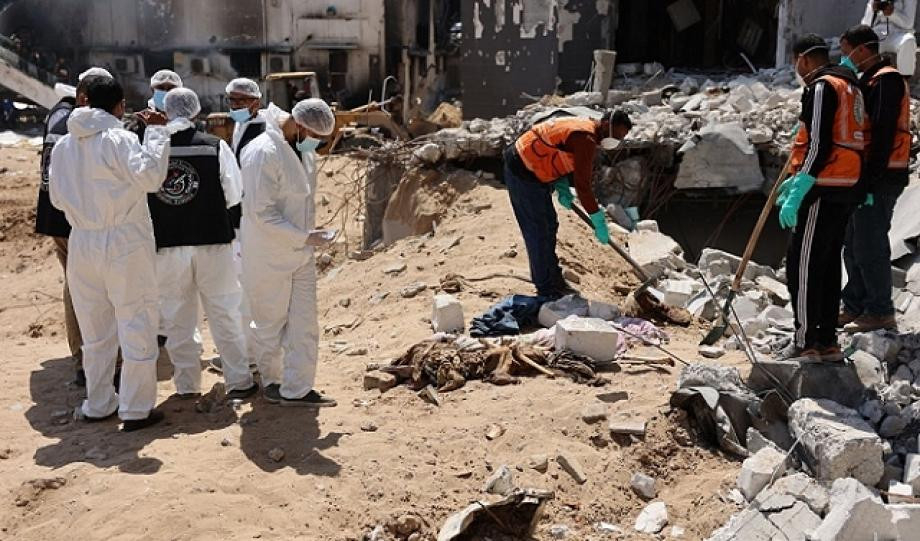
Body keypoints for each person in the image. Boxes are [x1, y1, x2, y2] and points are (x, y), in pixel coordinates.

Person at [49, 76, 172, 431]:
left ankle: (99, 402)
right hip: (124, 240)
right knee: (137, 321)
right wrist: (157, 133)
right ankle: (136, 409)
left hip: (82, 241)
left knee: (96, 330)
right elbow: (151, 178)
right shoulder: (120, 139)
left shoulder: (63, 146)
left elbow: (56, 199)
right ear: (119, 106)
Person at [148, 88, 258, 400]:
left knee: (177, 317)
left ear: (166, 112)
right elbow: (234, 195)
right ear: (196, 112)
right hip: (213, 242)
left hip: (168, 245)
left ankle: (186, 385)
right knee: (224, 312)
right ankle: (239, 381)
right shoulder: (214, 146)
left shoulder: (153, 149)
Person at [239, 99, 336, 407]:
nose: (316, 144)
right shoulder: (262, 152)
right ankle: (273, 381)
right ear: (299, 126)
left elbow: (301, 200)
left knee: (305, 324)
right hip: (268, 254)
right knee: (269, 323)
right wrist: (304, 236)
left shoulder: (303, 152)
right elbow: (261, 214)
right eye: (315, 137)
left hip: (301, 253)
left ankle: (298, 389)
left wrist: (309, 235)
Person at [778, 34, 868, 361]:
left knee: (802, 266)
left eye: (795, 62)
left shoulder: (821, 87)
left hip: (823, 186)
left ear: (803, 59)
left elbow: (819, 144)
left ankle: (805, 341)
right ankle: (827, 340)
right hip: (847, 185)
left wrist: (801, 185)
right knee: (828, 265)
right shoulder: (852, 87)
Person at [36, 67, 113, 386]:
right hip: (74, 217)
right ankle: (89, 358)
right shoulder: (75, 123)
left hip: (60, 214)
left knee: (79, 283)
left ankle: (87, 355)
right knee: (86, 285)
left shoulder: (58, 114)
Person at [502, 111, 632, 299]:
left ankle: (554, 279)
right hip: (522, 169)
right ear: (606, 124)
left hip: (535, 168)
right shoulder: (586, 138)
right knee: (538, 231)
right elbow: (583, 187)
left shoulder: (586, 130)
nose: (617, 140)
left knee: (550, 225)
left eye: (621, 138)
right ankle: (546, 289)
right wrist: (597, 219)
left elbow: (558, 148)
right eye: (617, 135)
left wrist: (561, 183)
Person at [839, 25, 911, 332]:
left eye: (847, 52)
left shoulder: (886, 81)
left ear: (863, 50)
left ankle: (880, 310)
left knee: (870, 244)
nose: (845, 58)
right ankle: (855, 304)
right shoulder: (867, 80)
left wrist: (869, 179)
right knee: (853, 243)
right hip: (864, 176)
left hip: (881, 176)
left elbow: (882, 134)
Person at [861, 0, 917, 77]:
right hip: (879, 33)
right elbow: (866, 25)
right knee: (865, 40)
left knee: (909, 41)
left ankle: (904, 79)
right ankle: (866, 79)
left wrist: (893, 13)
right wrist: (873, 11)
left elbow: (909, 23)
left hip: (900, 33)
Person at [125, 69, 183, 139]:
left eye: (170, 88)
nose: (166, 92)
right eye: (161, 88)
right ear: (152, 90)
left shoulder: (185, 122)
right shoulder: (141, 122)